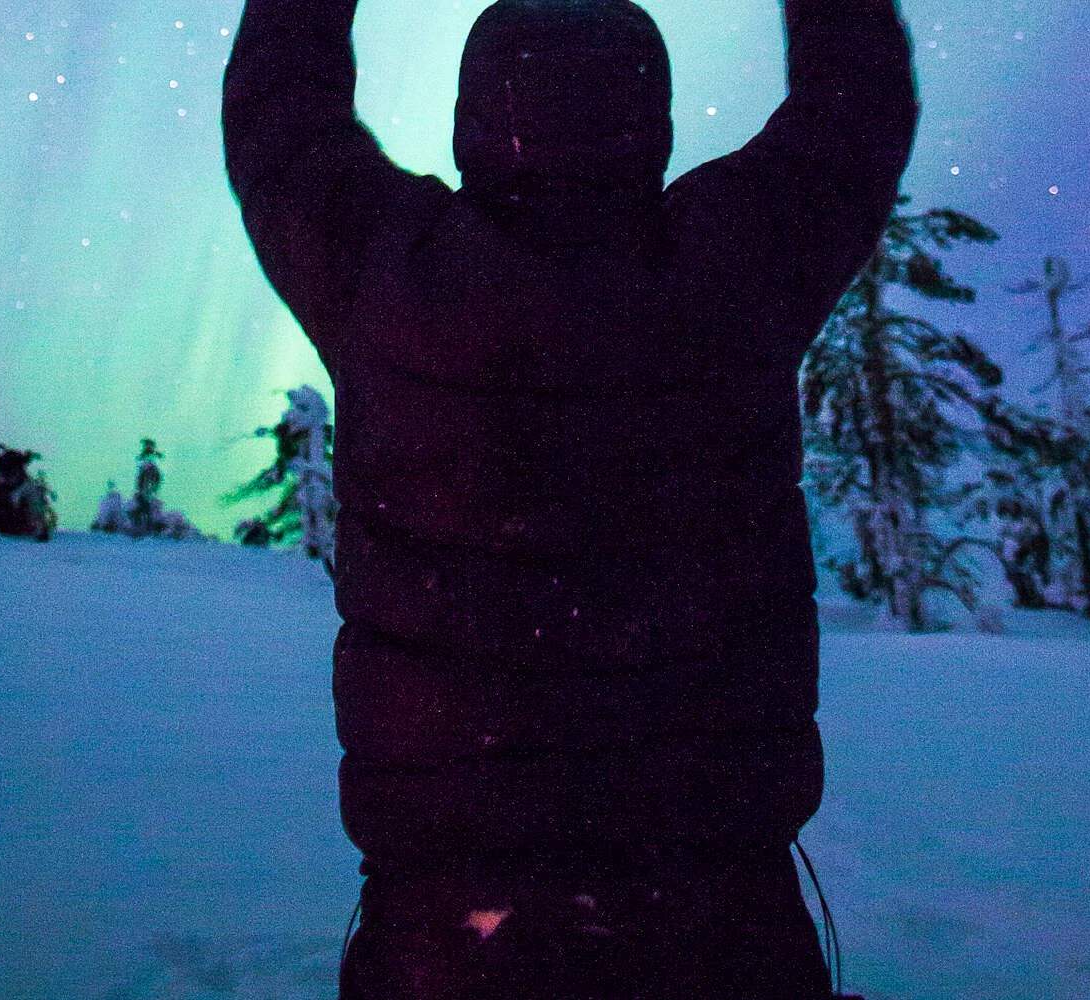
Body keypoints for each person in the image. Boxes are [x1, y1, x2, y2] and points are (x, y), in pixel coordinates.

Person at [224, 1, 918, 995]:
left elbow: (279, 121)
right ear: (654, 122)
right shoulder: (733, 269)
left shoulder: (387, 275)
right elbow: (853, 110)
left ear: (473, 119)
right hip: (718, 913)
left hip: (447, 924)